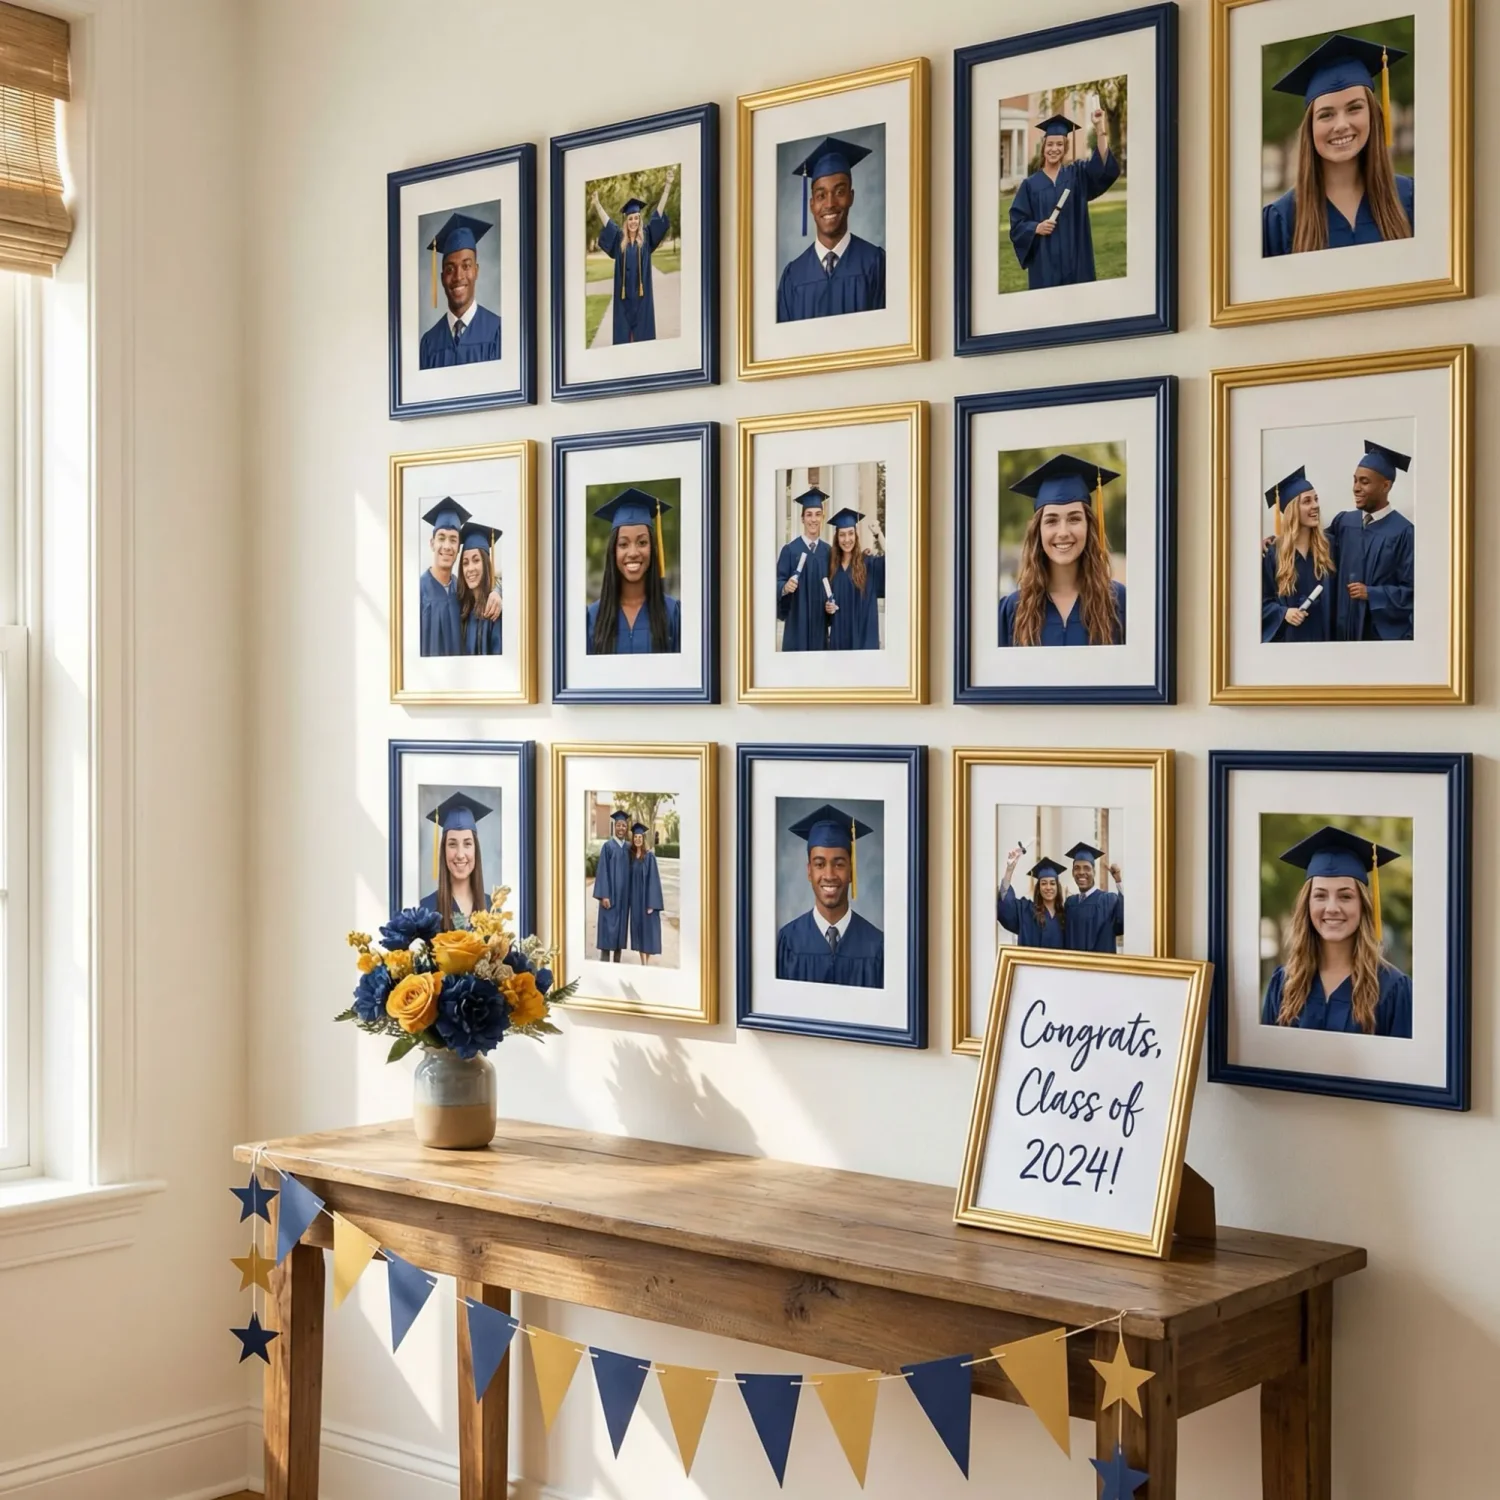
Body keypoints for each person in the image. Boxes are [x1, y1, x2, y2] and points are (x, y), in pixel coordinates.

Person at [1262, 35, 1413, 258]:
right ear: (1310, 128)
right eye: (1326, 115)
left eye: (1354, 108)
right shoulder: (1278, 221)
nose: (1341, 125)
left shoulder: (1411, 198)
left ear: (1373, 115)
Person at [1260, 824, 1412, 1038]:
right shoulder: (1283, 983)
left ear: (1363, 906)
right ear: (1307, 905)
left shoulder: (1394, 989)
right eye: (1320, 895)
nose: (1332, 908)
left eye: (1345, 896)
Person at [999, 453, 1125, 647]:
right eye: (1051, 521)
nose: (1063, 532)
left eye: (1074, 518)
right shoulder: (1015, 609)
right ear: (1038, 531)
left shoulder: (1118, 602)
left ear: (1089, 526)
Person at [775, 136, 886, 322]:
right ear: (811, 205)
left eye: (839, 192)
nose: (830, 203)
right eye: (821, 195)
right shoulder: (792, 277)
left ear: (851, 197)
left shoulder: (875, 263)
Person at [1007, 111, 1120, 290]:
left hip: (1077, 260)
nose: (1054, 149)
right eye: (1050, 144)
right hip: (1045, 264)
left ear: (1065, 147)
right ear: (1043, 147)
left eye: (1060, 144)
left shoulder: (1077, 175)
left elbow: (1103, 168)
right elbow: (1017, 225)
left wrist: (1100, 128)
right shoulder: (1029, 185)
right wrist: (1036, 227)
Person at [774, 804, 884, 988]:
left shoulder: (877, 945)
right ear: (809, 871)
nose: (829, 875)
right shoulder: (788, 942)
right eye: (819, 864)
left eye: (839, 864)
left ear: (851, 871)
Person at [1327, 440, 1414, 642]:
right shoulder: (1344, 522)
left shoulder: (1404, 532)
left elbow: (1413, 592)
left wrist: (1372, 593)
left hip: (1377, 638)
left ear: (1385, 486)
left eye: (1364, 482)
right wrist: (1276, 542)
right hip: (1341, 633)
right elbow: (1312, 543)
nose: (1356, 488)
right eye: (1355, 480)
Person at [586, 488, 681, 655]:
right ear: (613, 552)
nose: (633, 553)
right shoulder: (593, 617)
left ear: (653, 548)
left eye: (642, 542)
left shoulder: (673, 612)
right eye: (623, 544)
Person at [592, 171, 674, 344]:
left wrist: (667, 186)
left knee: (643, 340)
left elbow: (658, 216)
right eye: (631, 218)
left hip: (642, 300)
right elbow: (608, 223)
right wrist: (598, 204)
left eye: (636, 218)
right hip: (623, 301)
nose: (634, 222)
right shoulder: (618, 240)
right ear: (626, 220)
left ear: (639, 220)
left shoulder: (646, 238)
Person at [418, 212, 502, 368]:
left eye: (466, 266)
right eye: (450, 269)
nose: (458, 276)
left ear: (476, 271)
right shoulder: (429, 344)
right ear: (442, 278)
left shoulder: (498, 331)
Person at [1261, 466, 1336, 644]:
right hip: (1291, 643)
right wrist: (1284, 613)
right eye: (1307, 501)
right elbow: (1262, 602)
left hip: (1328, 641)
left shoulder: (1331, 546)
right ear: (1292, 509)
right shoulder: (1273, 553)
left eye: (1316, 499)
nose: (1315, 505)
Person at [419, 791, 492, 922]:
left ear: (476, 849)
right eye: (452, 844)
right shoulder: (426, 910)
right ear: (443, 850)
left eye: (467, 843)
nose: (460, 854)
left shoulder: (493, 909)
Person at [776, 486, 831, 652]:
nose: (813, 519)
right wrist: (785, 587)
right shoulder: (790, 550)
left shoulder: (829, 552)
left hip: (820, 627)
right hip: (796, 625)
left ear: (822, 517)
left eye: (817, 514)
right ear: (802, 519)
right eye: (809, 514)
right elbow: (777, 581)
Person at [825, 506, 886, 652]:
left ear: (856, 535)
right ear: (837, 537)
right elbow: (826, 602)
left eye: (850, 534)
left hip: (864, 640)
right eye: (842, 535)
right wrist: (828, 607)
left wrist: (879, 534)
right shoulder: (832, 567)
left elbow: (893, 561)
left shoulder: (868, 563)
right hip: (839, 639)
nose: (847, 539)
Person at [1062, 841, 1124, 954]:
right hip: (1073, 969)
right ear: (1072, 872)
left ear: (1094, 872)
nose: (1081, 872)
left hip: (1099, 969)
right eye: (1077, 868)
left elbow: (1123, 925)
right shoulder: (1070, 903)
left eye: (1086, 868)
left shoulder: (1108, 900)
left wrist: (1118, 881)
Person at [996, 850, 1066, 949]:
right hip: (1030, 964)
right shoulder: (1027, 911)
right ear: (1039, 888)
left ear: (1057, 887)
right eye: (1044, 883)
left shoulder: (1065, 916)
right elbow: (1006, 906)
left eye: (1052, 883)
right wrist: (1009, 870)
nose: (1048, 887)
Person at [457, 520, 503, 656]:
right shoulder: (461, 609)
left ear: (486, 563)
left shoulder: (494, 611)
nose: (470, 568)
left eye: (476, 560)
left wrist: (499, 591)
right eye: (465, 563)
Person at [591, 809, 632, 962]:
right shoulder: (608, 847)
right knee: (608, 933)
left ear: (626, 828)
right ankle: (604, 963)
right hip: (610, 897)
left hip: (623, 899)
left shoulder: (628, 848)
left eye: (624, 826)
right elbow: (602, 871)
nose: (621, 828)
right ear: (614, 826)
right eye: (619, 825)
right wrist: (604, 895)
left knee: (619, 935)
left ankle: (617, 963)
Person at [626, 822, 665, 965]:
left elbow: (654, 880)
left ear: (643, 839)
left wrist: (652, 904)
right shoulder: (630, 857)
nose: (637, 839)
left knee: (647, 932)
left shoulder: (649, 857)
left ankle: (645, 963)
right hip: (635, 900)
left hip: (646, 900)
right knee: (639, 931)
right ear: (633, 839)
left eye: (640, 837)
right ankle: (642, 961)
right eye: (635, 837)